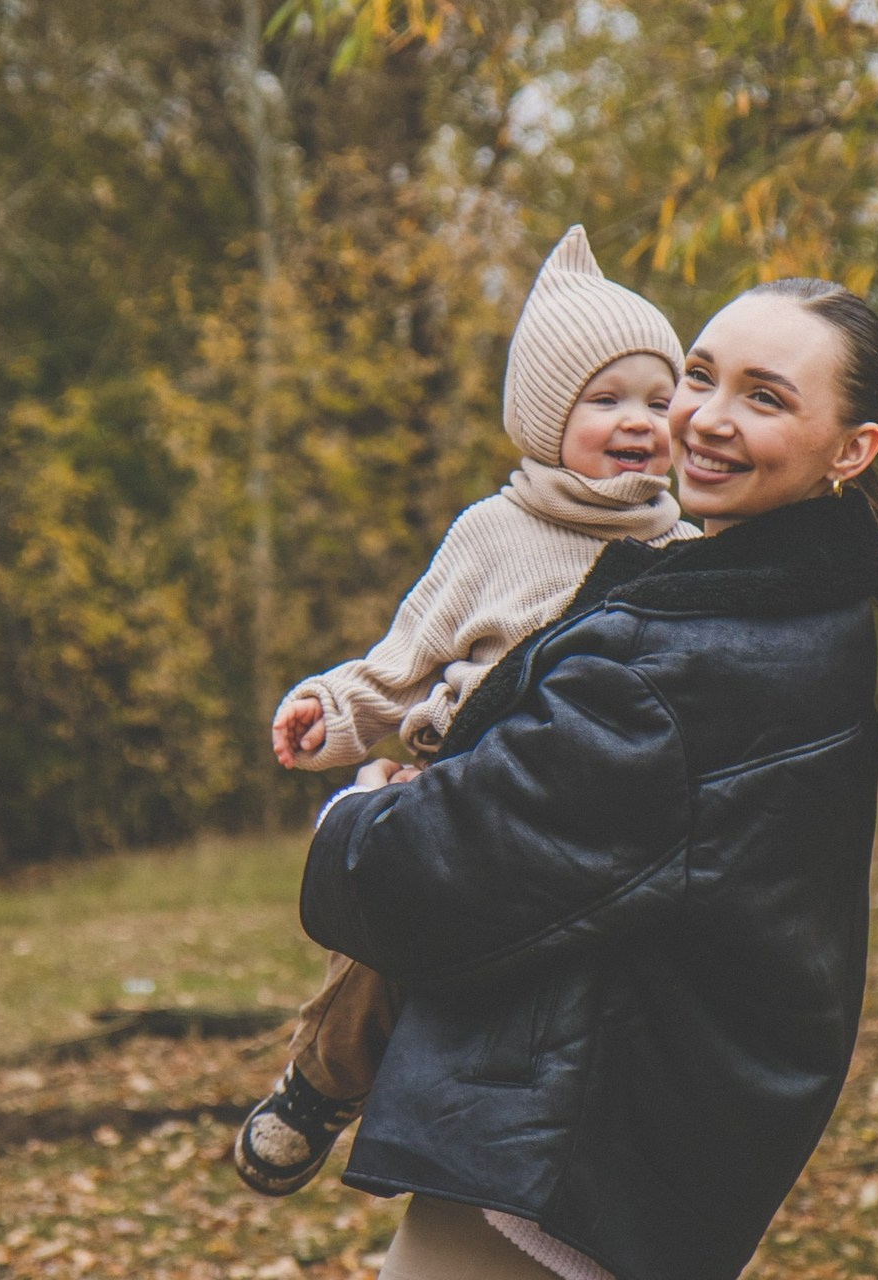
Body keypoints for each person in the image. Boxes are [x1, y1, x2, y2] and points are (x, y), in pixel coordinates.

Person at [297, 277, 878, 1280]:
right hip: (645, 1152)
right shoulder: (789, 605)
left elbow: (444, 866)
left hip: (562, 1163)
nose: (705, 417)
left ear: (851, 449)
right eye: (699, 376)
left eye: (764, 396)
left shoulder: (686, 661)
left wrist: (354, 815)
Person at [233, 225, 701, 1197]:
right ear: (544, 416)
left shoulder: (684, 551)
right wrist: (329, 707)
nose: (638, 421)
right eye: (606, 399)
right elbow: (401, 664)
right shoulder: (495, 531)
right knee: (390, 947)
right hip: (452, 780)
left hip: (576, 805)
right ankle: (319, 1084)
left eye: (659, 400)